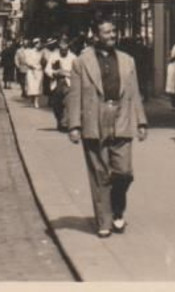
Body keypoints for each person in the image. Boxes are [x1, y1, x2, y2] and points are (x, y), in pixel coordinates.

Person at [61, 20, 148, 238]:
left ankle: (117, 209)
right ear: (96, 35)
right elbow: (75, 96)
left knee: (124, 172)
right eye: (106, 32)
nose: (112, 35)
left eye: (113, 31)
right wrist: (74, 125)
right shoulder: (82, 62)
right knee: (99, 173)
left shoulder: (128, 61)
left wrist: (141, 122)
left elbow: (135, 93)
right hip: (94, 119)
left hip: (122, 117)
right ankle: (104, 221)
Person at [45, 39, 76, 128]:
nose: (63, 51)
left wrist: (66, 73)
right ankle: (59, 119)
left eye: (65, 49)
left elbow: (77, 72)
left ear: (68, 48)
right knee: (56, 104)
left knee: (67, 103)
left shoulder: (73, 57)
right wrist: (54, 73)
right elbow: (47, 69)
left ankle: (65, 122)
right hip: (57, 83)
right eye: (61, 49)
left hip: (68, 83)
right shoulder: (54, 56)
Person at [20, 39, 46, 107]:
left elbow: (43, 62)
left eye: (40, 44)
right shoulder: (29, 52)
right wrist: (33, 66)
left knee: (38, 86)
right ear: (35, 44)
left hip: (38, 70)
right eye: (38, 44)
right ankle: (32, 100)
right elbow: (27, 61)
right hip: (31, 71)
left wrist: (41, 65)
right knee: (31, 86)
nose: (39, 45)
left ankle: (36, 101)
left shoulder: (41, 53)